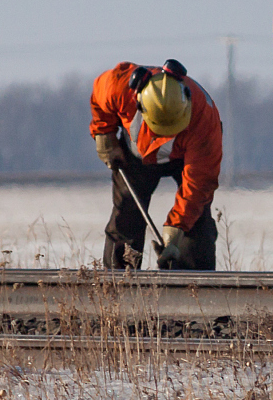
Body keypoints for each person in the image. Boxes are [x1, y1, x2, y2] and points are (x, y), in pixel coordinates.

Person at [88, 59, 221, 270]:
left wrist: (176, 229)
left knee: (196, 224)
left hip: (184, 160)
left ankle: (193, 289)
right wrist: (104, 134)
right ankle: (118, 287)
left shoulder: (203, 118)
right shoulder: (118, 86)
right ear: (140, 104)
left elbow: (199, 182)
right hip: (135, 157)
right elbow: (99, 99)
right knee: (126, 216)